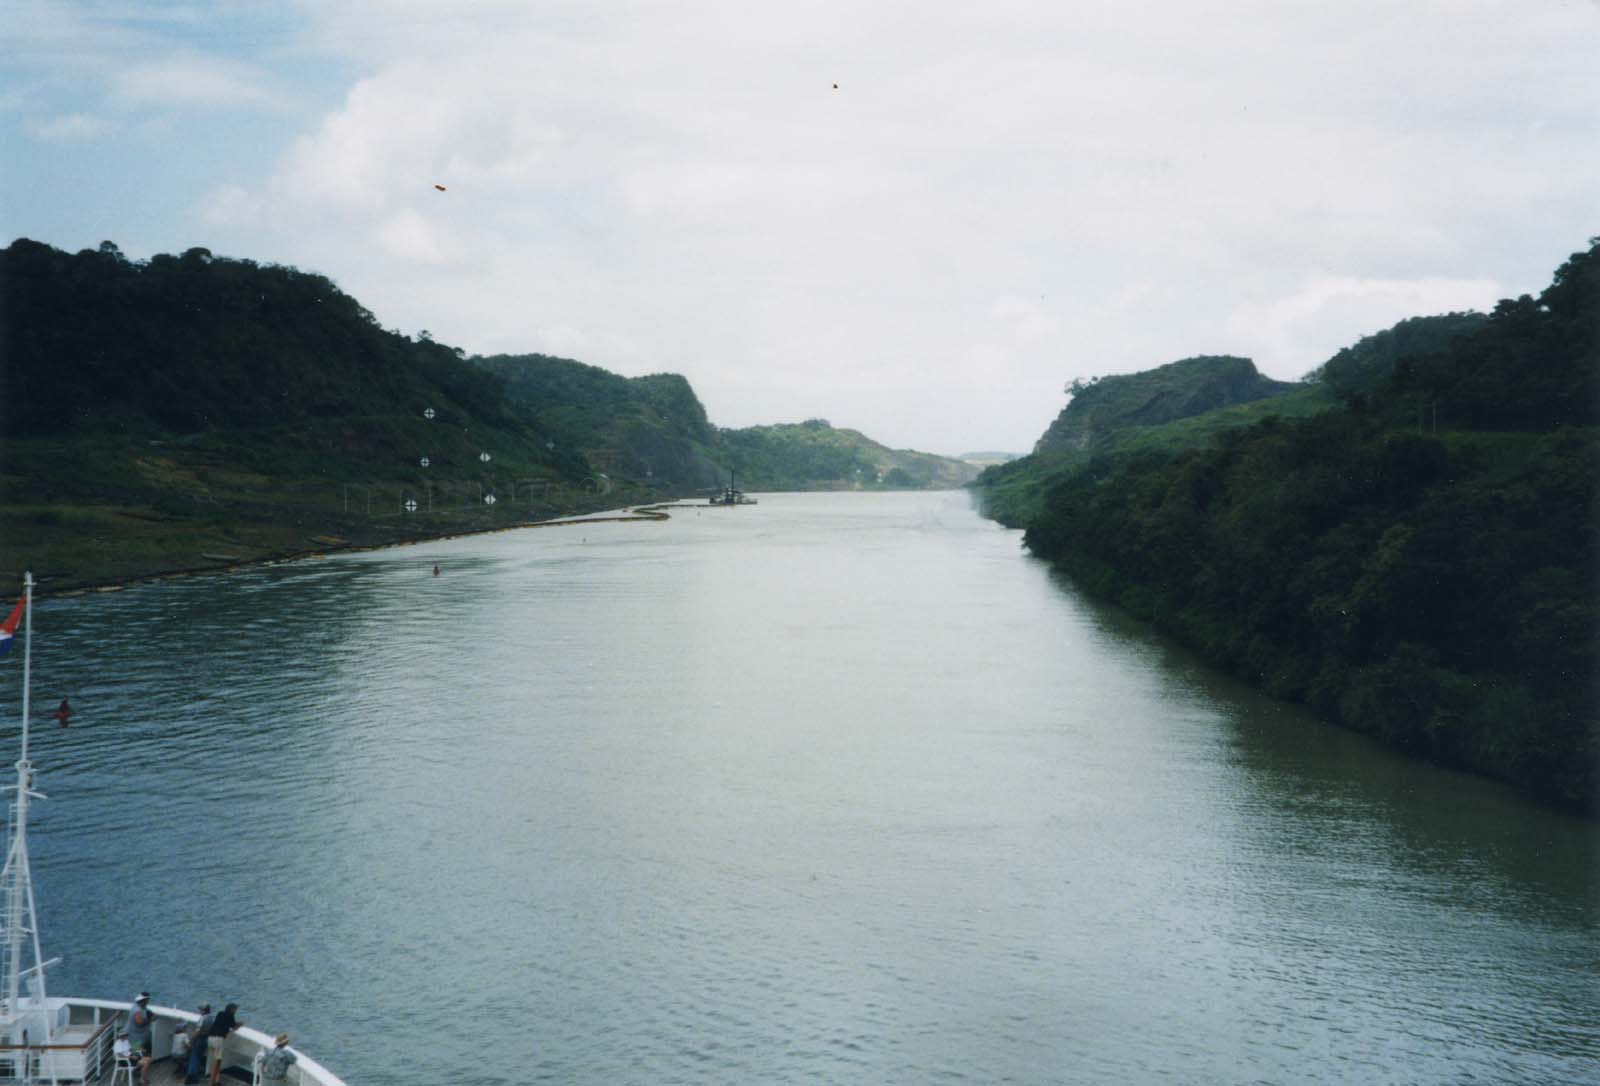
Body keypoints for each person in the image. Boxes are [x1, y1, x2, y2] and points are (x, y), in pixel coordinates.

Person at [206, 1002, 241, 1086]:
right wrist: (240, 1024)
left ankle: (216, 1081)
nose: (236, 1011)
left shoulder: (220, 1013)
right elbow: (233, 1026)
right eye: (235, 1009)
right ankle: (211, 1083)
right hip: (218, 1039)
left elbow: (223, 1023)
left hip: (210, 1037)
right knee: (217, 1061)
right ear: (232, 1010)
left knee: (216, 1060)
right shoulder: (230, 1016)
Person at [126, 993, 155, 1086]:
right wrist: (150, 1019)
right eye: (147, 1000)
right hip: (135, 1039)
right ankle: (141, 1078)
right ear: (143, 1000)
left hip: (142, 1038)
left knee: (144, 1056)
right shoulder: (136, 1010)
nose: (148, 1001)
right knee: (139, 1057)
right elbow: (139, 1022)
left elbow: (151, 1014)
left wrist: (151, 1016)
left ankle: (138, 1072)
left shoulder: (144, 1008)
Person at [184, 1003, 213, 1085]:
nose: (199, 1011)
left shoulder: (202, 1018)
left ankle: (192, 1076)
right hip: (206, 1039)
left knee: (194, 1057)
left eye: (201, 1009)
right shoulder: (211, 1018)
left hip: (200, 1039)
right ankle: (194, 1076)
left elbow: (198, 1031)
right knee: (198, 1057)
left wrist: (191, 1040)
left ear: (204, 1010)